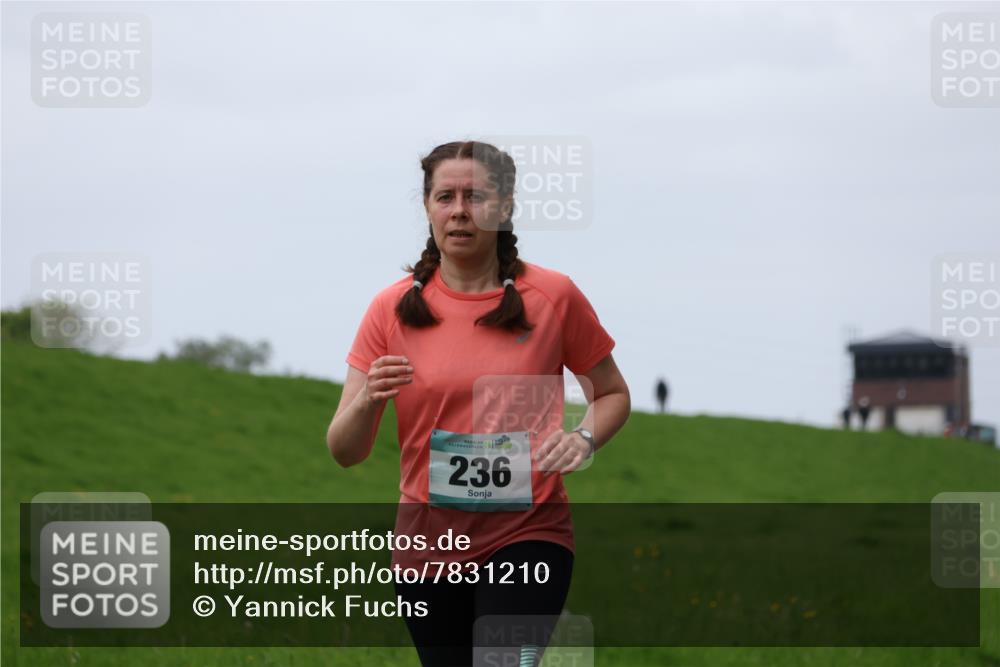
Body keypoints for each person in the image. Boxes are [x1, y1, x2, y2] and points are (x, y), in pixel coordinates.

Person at [326, 140, 631, 667]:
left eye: (476, 196)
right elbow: (344, 450)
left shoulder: (553, 296)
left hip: (529, 534)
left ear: (505, 206)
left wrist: (583, 438)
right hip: (426, 548)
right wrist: (370, 399)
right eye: (445, 197)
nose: (460, 210)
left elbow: (612, 393)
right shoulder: (390, 309)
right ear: (428, 207)